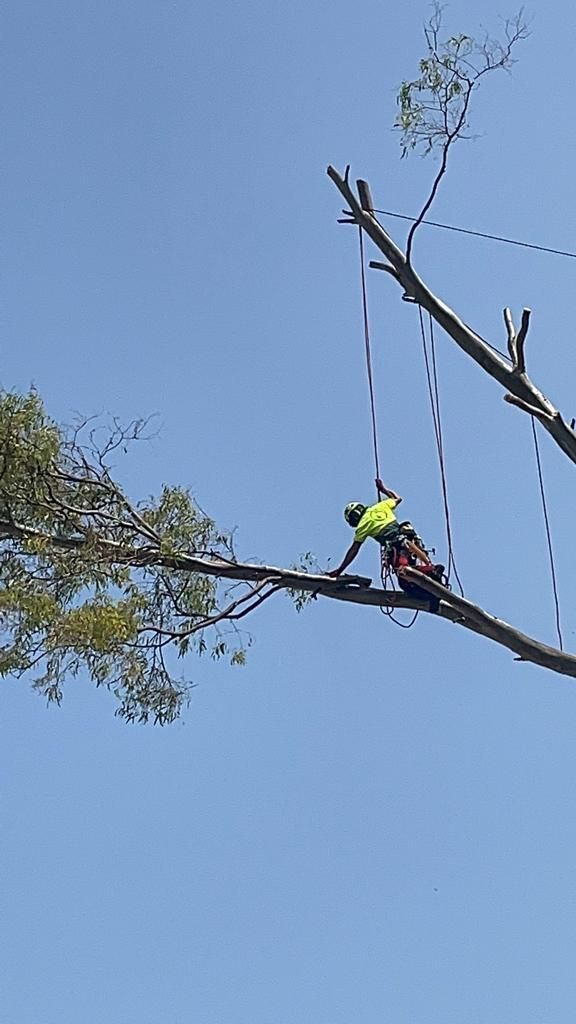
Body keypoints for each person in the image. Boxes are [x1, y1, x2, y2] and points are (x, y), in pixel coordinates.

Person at [327, 478, 433, 579]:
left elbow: (354, 550)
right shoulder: (380, 506)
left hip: (395, 545)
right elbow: (397, 499)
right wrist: (383, 489)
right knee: (413, 555)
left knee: (401, 569)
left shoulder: (362, 526)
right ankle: (429, 566)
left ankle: (422, 570)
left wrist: (340, 569)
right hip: (408, 536)